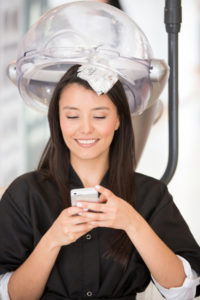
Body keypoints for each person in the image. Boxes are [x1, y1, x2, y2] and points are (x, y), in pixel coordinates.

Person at [0, 64, 200, 300]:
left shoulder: (151, 194)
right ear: (57, 120)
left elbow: (184, 291)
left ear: (118, 120)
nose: (85, 128)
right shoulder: (25, 194)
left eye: (99, 116)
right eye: (72, 116)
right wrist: (52, 241)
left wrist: (133, 223)